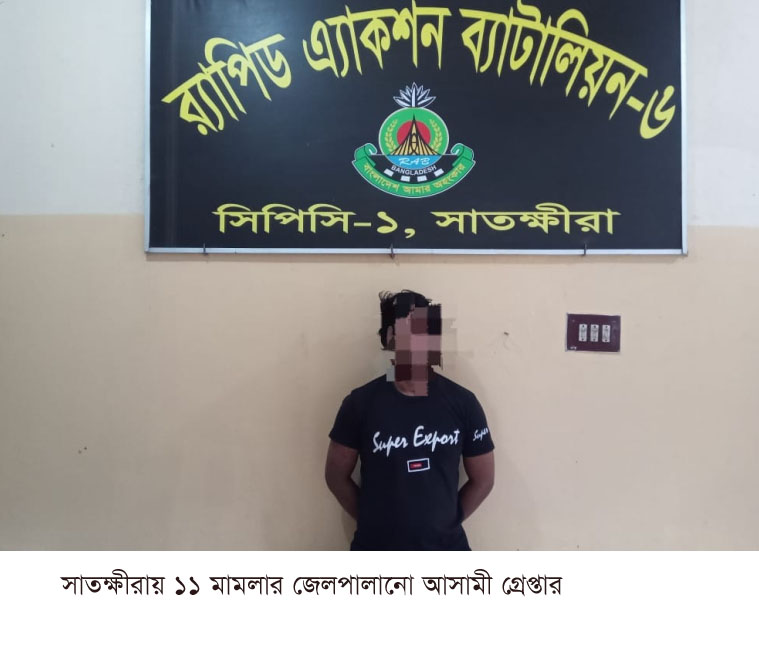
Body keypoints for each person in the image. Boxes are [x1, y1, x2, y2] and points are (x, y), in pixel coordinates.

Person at [325, 290, 495, 550]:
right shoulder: (359, 404)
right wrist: (372, 523)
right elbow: (335, 477)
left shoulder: (463, 403)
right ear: (389, 337)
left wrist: (446, 524)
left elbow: (484, 480)